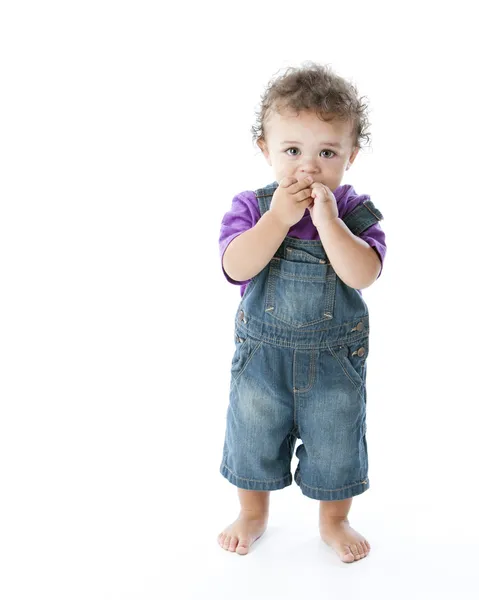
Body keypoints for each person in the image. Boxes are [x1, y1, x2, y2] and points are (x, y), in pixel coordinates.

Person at [217, 62, 387, 563]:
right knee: (252, 436)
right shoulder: (253, 207)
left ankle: (335, 520)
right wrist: (277, 221)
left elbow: (363, 274)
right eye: (292, 151)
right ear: (265, 150)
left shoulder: (356, 212)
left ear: (350, 156)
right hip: (262, 360)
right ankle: (253, 512)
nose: (308, 168)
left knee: (337, 443)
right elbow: (234, 266)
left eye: (327, 153)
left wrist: (329, 224)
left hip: (335, 362)